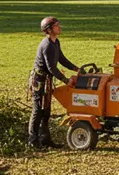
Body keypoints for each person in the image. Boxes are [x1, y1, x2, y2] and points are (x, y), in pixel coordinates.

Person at [27, 16, 80, 148]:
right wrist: (66, 80)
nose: (59, 27)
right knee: (38, 110)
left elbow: (61, 59)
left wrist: (76, 68)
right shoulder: (47, 46)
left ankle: (45, 140)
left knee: (46, 111)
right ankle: (33, 140)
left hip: (47, 80)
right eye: (57, 25)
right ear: (49, 30)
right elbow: (51, 68)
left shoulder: (55, 42)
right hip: (39, 81)